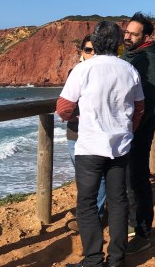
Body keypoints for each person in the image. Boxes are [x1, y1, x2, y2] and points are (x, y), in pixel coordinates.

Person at [57, 21, 145, 267]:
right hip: (120, 146)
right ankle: (116, 260)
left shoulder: (83, 69)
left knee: (86, 203)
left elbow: (63, 108)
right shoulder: (129, 70)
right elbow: (139, 108)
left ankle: (93, 260)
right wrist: (128, 129)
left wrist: (79, 117)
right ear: (118, 44)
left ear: (94, 43)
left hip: (89, 147)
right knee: (118, 203)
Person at [120, 12, 155, 254]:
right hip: (130, 127)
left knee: (136, 178)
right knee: (128, 178)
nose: (127, 36)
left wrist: (132, 128)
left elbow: (147, 98)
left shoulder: (148, 59)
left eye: (133, 34)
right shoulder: (131, 54)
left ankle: (142, 230)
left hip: (139, 128)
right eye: (126, 32)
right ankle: (131, 222)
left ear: (145, 36)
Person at [65, 35, 106, 233]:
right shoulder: (75, 72)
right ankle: (90, 214)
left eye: (95, 50)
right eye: (88, 50)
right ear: (81, 51)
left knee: (98, 178)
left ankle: (94, 217)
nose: (91, 53)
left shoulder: (106, 72)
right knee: (83, 178)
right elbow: (66, 105)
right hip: (75, 133)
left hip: (95, 134)